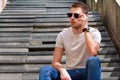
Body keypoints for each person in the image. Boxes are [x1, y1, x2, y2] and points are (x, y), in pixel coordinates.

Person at [39, 2, 102, 80]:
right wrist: (62, 70)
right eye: (70, 15)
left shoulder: (94, 33)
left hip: (87, 73)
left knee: (94, 61)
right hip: (69, 73)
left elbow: (93, 53)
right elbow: (55, 62)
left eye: (76, 15)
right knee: (45, 70)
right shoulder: (63, 34)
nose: (72, 18)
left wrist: (85, 28)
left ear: (85, 17)